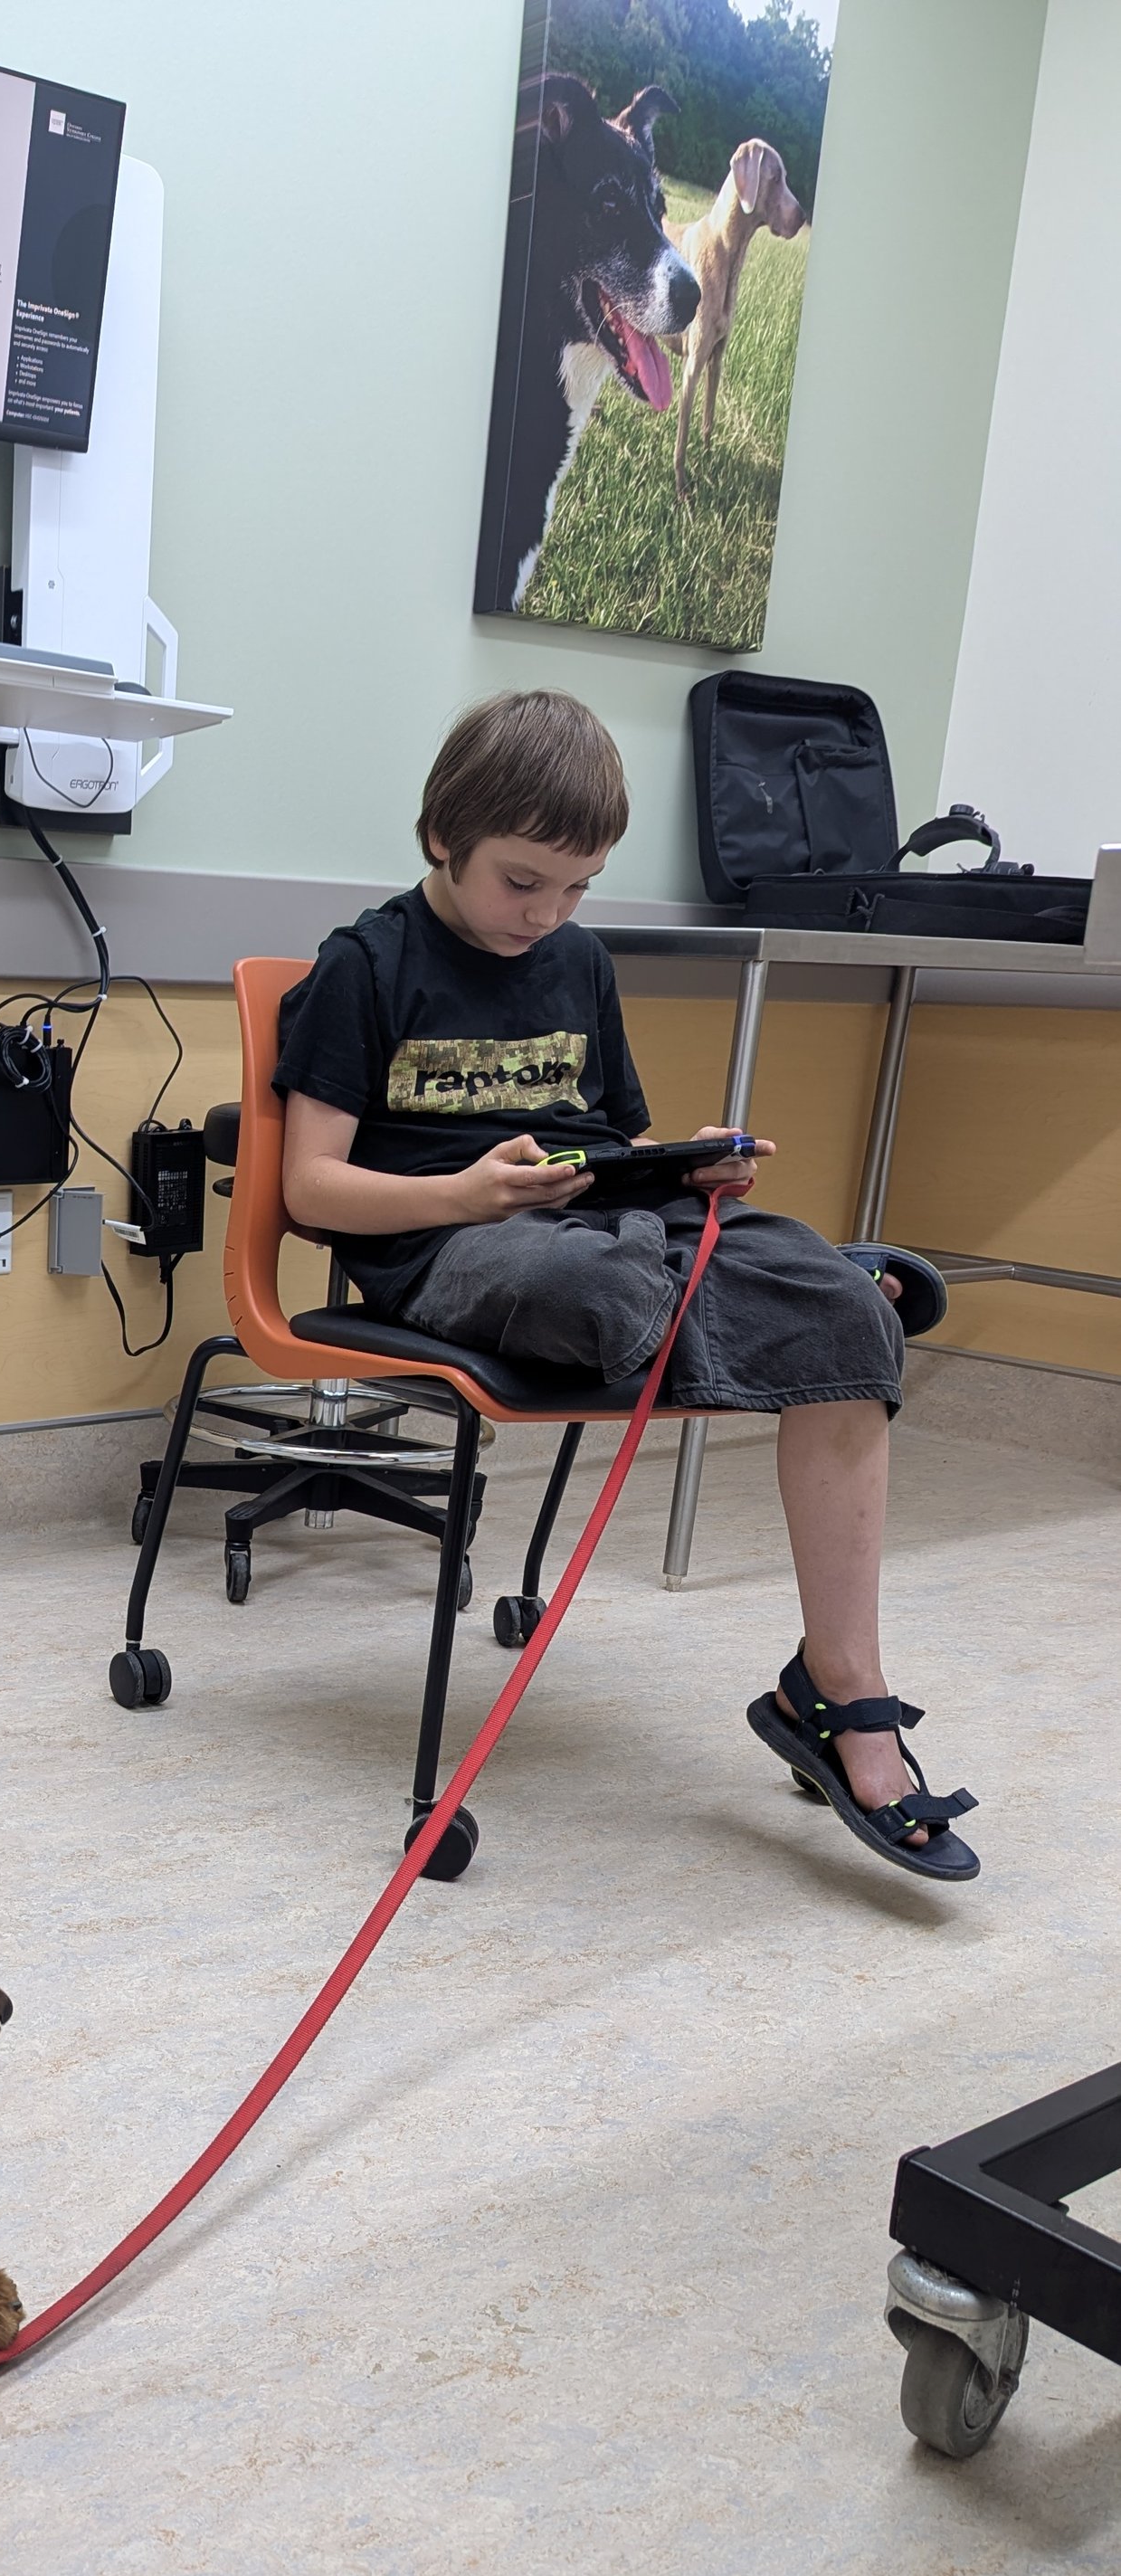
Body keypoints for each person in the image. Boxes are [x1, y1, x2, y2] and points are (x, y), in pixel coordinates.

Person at [272, 689, 976, 1882]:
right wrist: (466, 1194)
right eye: (521, 882)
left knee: (830, 1315)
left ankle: (839, 1689)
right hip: (449, 1249)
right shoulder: (365, 965)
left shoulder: (578, 961)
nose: (546, 915)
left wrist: (687, 1167)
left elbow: (617, 1148)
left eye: (577, 888)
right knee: (608, 1296)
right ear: (441, 835)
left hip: (605, 1225)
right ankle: (793, 1295)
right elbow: (310, 1189)